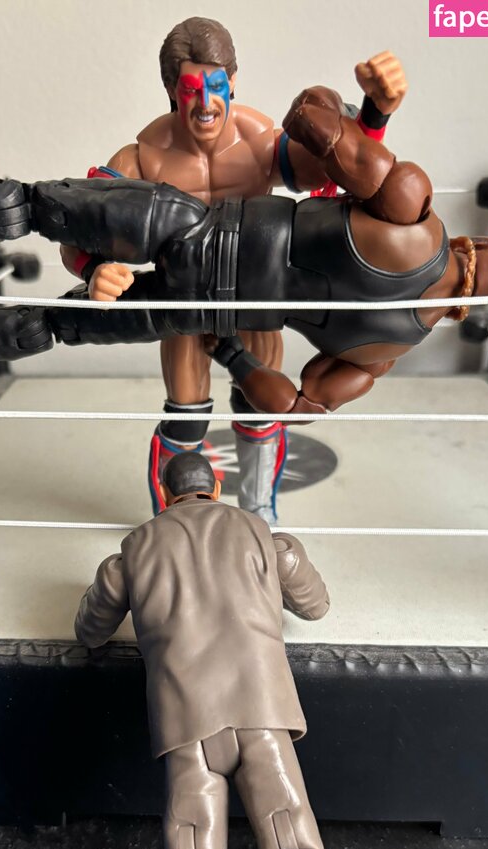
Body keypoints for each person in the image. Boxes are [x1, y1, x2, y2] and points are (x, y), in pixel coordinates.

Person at [0, 89, 488, 423]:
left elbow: (310, 122)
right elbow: (296, 403)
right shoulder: (386, 354)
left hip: (196, 227)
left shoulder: (413, 211)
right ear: (479, 306)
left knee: (30, 205)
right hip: (195, 311)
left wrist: (332, 108)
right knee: (53, 327)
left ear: (482, 243)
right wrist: (231, 355)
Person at [74, 451, 376, 849]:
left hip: (187, 729)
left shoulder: (133, 550)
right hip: (263, 719)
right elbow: (315, 604)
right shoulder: (260, 533)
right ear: (216, 485)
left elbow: (91, 628)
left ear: (163, 492)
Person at [59, 17, 407, 520]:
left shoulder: (260, 141)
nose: (206, 103)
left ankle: (260, 517)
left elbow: (343, 172)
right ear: (171, 89)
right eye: (191, 89)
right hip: (184, 301)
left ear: (234, 81)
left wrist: (375, 112)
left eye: (216, 87)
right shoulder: (141, 158)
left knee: (264, 408)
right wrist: (94, 268)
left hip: (256, 297)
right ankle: (176, 525)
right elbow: (76, 229)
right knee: (185, 416)